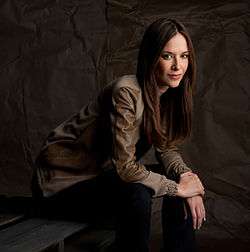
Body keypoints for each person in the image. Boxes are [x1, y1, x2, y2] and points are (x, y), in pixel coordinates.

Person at [32, 18, 205, 252]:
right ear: (151, 57)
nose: (178, 66)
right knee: (137, 190)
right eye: (167, 56)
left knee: (171, 180)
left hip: (99, 180)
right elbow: (125, 168)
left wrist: (187, 179)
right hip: (61, 187)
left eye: (183, 56)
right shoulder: (126, 92)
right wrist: (179, 188)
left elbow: (166, 149)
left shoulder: (167, 95)